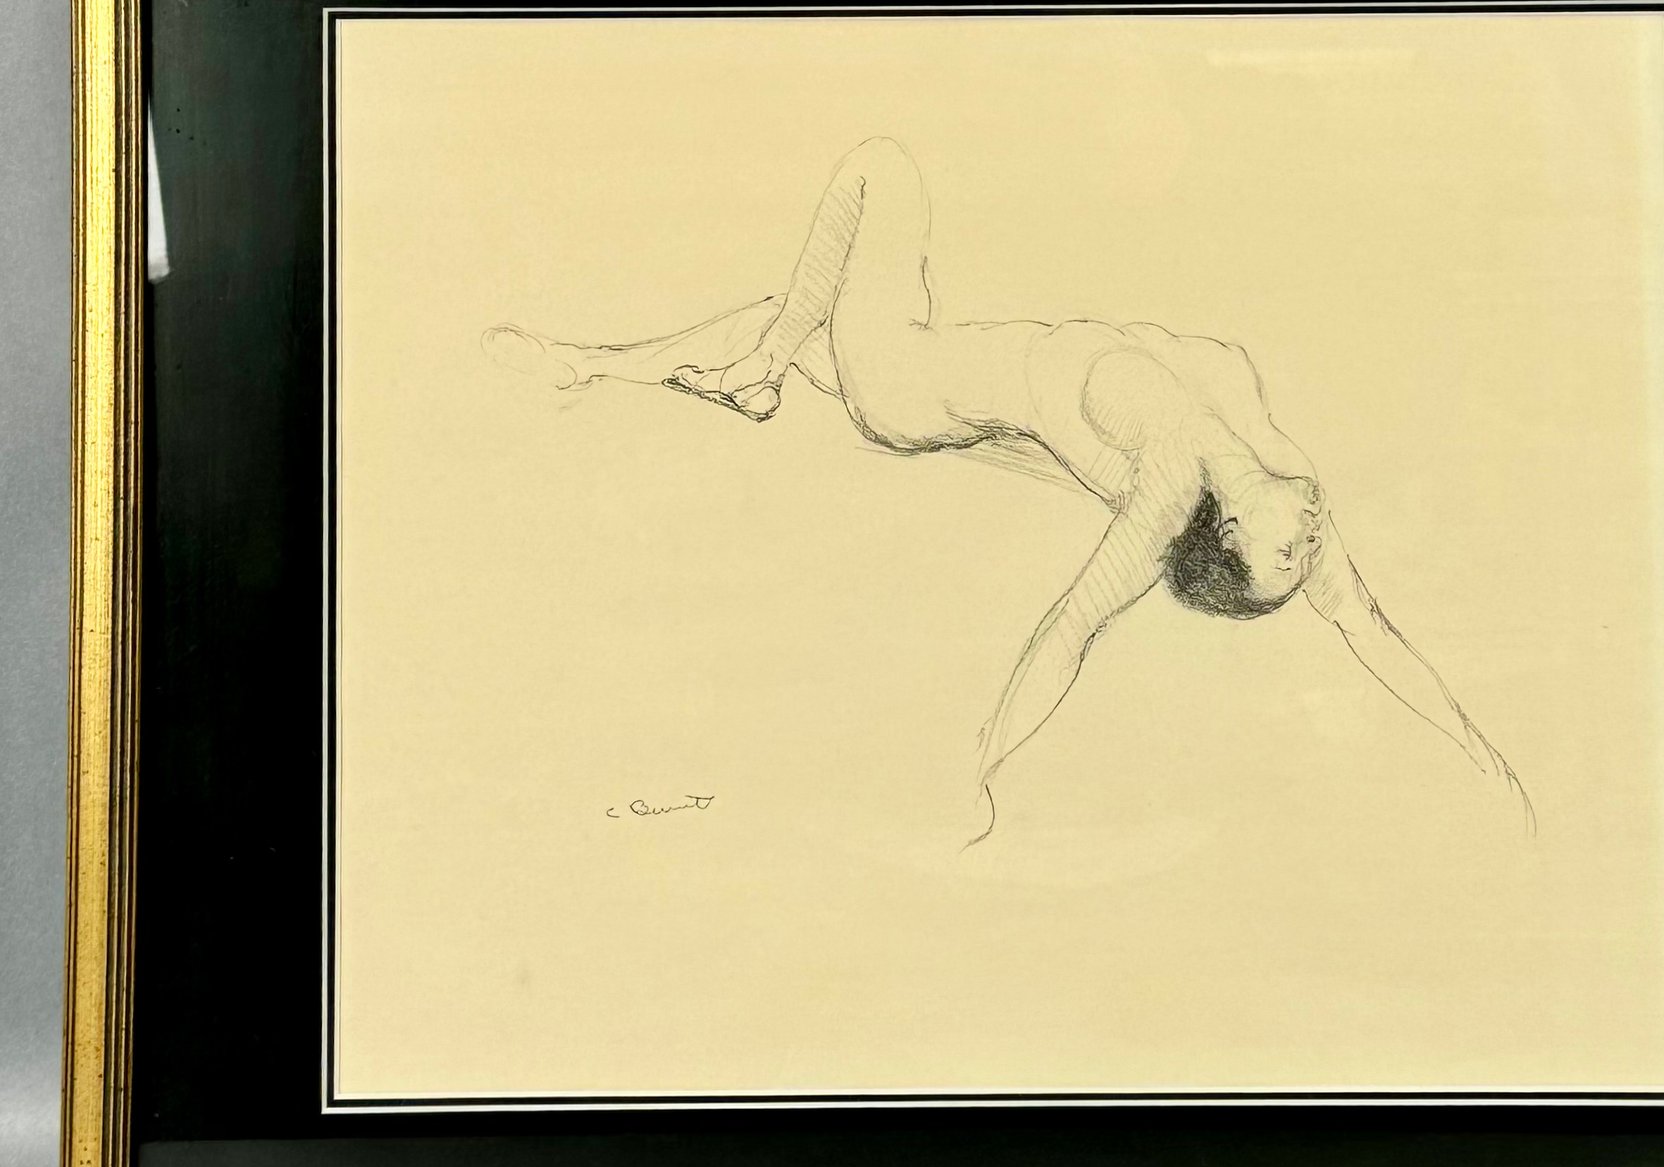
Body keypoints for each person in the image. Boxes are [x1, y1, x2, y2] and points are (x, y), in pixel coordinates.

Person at [485, 136, 1530, 838]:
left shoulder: (1170, 484)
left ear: (1224, 533)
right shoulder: (1258, 441)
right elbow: (1369, 628)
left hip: (905, 391)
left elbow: (1069, 628)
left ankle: (759, 367)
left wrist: (982, 766)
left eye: (1288, 555)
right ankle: (597, 364)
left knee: (879, 169)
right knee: (789, 310)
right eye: (1305, 553)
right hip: (938, 367)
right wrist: (1483, 753)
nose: (1312, 538)